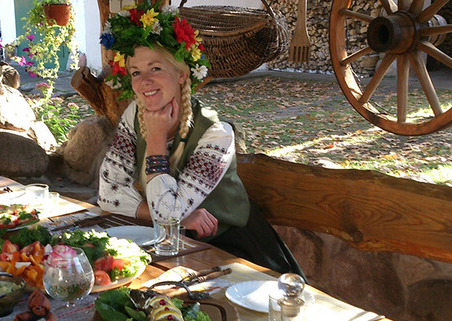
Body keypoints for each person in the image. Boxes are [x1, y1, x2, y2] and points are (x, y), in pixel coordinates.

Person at [97, 2, 304, 277]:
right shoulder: (134, 116)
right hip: (178, 244)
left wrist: (157, 141)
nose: (144, 80)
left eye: (155, 68)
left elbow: (168, 214)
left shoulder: (217, 135)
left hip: (235, 252)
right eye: (136, 72)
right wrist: (181, 216)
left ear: (181, 74)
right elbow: (108, 194)